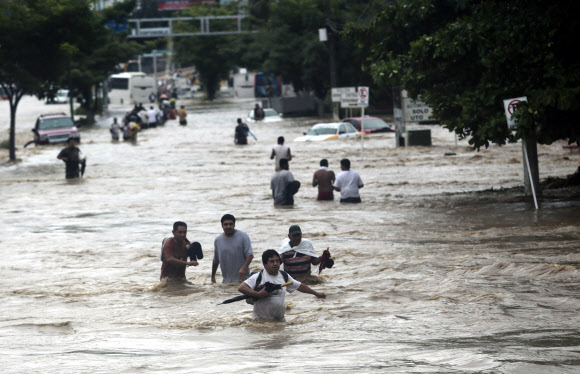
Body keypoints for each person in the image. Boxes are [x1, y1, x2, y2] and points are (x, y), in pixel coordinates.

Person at [238, 249, 326, 321]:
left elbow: (300, 286)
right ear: (265, 264)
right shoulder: (258, 277)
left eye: (277, 261)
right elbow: (241, 287)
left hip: (280, 321)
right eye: (272, 261)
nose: (276, 263)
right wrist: (258, 294)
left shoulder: (284, 276)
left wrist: (316, 293)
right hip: (261, 322)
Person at [212, 214, 254, 284]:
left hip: (243, 282)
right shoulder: (218, 240)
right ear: (222, 226)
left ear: (234, 225)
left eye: (231, 224)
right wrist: (213, 276)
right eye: (226, 224)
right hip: (226, 282)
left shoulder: (243, 236)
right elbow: (216, 260)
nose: (228, 227)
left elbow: (250, 255)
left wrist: (243, 268)